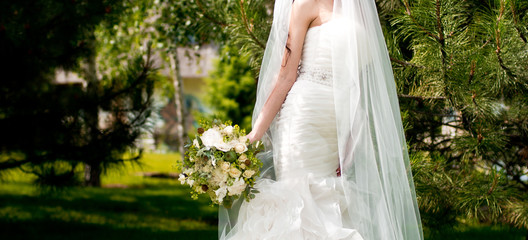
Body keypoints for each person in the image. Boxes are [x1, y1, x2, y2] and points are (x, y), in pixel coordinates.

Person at [219, 0, 424, 239]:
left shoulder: (358, 8)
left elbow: (358, 82)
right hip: (304, 116)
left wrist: (349, 140)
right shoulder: (306, 4)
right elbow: (286, 75)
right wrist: (255, 132)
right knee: (300, 199)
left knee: (327, 201)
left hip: (338, 120)